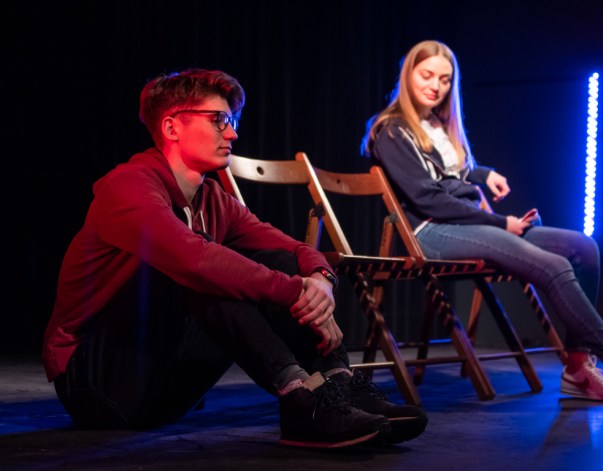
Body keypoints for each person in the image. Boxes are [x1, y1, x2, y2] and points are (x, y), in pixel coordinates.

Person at [42, 68, 427, 448]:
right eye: (218, 120)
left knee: (279, 263)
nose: (232, 133)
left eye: (232, 121)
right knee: (203, 269)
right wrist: (297, 292)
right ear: (172, 127)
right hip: (98, 385)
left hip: (163, 383)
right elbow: (195, 262)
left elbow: (294, 250)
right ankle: (297, 394)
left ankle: (337, 385)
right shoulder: (128, 186)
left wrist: (320, 280)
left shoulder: (212, 199)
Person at [361, 40, 603, 408]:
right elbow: (429, 198)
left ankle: (578, 370)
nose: (436, 86)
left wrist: (482, 174)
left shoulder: (437, 124)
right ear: (407, 74)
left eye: (444, 80)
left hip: (464, 224)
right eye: (427, 75)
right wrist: (499, 222)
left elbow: (449, 172)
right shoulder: (391, 130)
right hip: (430, 231)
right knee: (551, 265)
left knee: (583, 247)